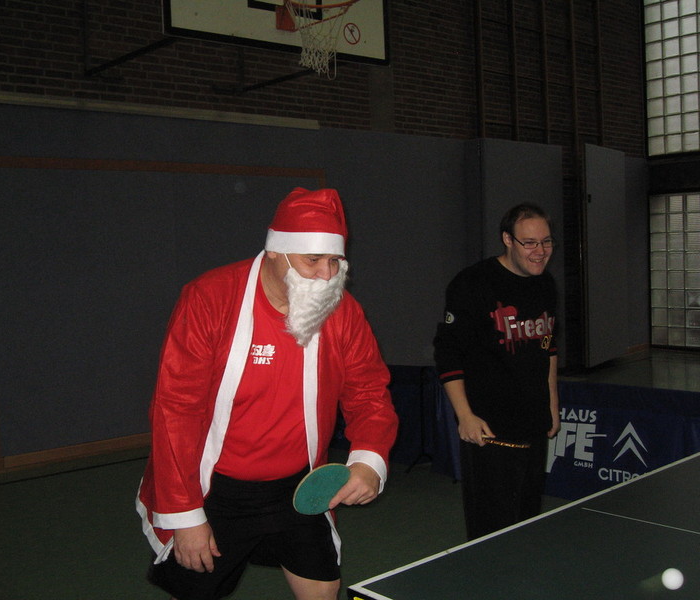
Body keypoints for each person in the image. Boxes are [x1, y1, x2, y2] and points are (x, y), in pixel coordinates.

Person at [136, 187, 399, 600]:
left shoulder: (342, 310)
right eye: (313, 260)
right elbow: (176, 409)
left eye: (335, 261)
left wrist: (368, 460)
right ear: (276, 250)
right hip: (216, 488)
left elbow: (368, 392)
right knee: (197, 590)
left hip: (297, 485)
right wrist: (186, 515)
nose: (327, 275)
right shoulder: (210, 298)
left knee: (324, 588)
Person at [433, 203, 560, 540]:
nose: (540, 252)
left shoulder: (546, 284)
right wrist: (465, 416)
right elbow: (448, 354)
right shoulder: (472, 284)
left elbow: (548, 346)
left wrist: (552, 403)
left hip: (533, 423)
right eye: (529, 243)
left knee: (526, 521)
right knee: (490, 530)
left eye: (546, 242)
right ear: (507, 239)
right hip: (488, 428)